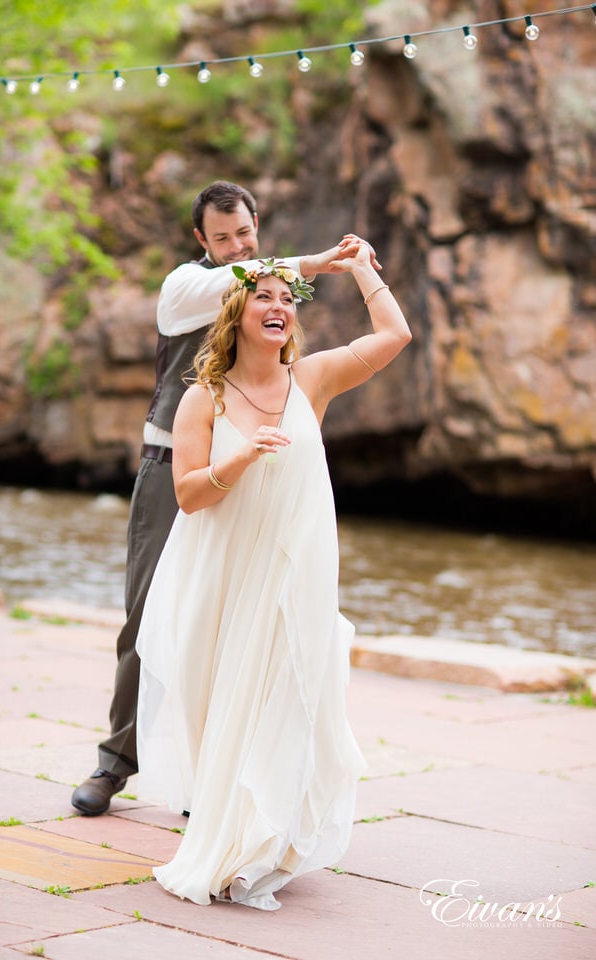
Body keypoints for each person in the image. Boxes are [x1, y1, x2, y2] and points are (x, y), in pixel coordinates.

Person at [71, 181, 381, 815]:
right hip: (172, 469)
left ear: (256, 224)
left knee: (239, 622)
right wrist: (316, 263)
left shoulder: (271, 297)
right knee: (146, 614)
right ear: (201, 242)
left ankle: (212, 777)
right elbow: (233, 281)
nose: (237, 246)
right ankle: (115, 761)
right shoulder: (185, 288)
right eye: (222, 238)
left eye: (245, 233)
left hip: (256, 473)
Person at [135, 241, 412, 910]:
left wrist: (360, 270)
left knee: (290, 695)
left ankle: (272, 840)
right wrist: (242, 460)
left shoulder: (311, 379)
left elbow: (395, 334)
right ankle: (229, 837)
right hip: (226, 579)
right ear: (236, 313)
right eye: (266, 296)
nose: (280, 306)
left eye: (288, 299)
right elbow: (192, 494)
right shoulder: (204, 399)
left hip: (296, 577)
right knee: (228, 708)